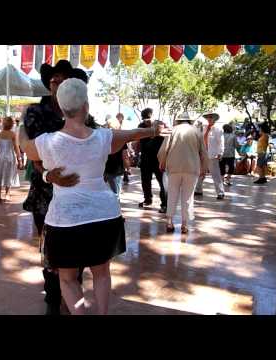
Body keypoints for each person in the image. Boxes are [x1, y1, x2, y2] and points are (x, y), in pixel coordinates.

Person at [20, 78, 167, 315]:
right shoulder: (104, 137)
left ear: (60, 107)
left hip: (65, 220)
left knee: (67, 279)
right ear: (86, 106)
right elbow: (133, 134)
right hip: (105, 215)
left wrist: (22, 122)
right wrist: (153, 130)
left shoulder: (46, 143)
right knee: (102, 273)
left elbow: (24, 144)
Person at [22, 59, 97, 315]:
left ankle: (72, 289)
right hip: (45, 193)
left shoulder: (85, 114)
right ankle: (53, 297)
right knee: (50, 248)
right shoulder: (35, 111)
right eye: (53, 80)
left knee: (79, 247)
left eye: (63, 79)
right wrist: (47, 176)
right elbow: (33, 151)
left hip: (79, 193)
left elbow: (95, 146)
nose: (57, 83)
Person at [158, 112, 206, 234]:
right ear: (190, 120)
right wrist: (204, 168)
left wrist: (162, 162)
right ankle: (184, 225)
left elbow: (164, 149)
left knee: (172, 194)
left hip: (173, 167)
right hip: (192, 168)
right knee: (188, 197)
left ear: (178, 120)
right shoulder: (197, 132)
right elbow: (203, 152)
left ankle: (169, 222)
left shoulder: (173, 131)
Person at [137, 108, 167, 213]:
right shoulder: (141, 126)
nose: (146, 121)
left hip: (158, 159)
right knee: (145, 181)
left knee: (162, 182)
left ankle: (164, 204)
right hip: (145, 158)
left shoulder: (161, 125)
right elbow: (140, 140)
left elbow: (166, 140)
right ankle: (147, 199)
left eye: (148, 118)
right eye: (144, 119)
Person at [0, 116, 22, 202]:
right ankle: (7, 194)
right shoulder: (13, 134)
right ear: (12, 125)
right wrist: (20, 159)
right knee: (9, 175)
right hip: (9, 157)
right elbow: (16, 147)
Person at [195, 112, 225, 200]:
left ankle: (220, 192)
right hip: (203, 154)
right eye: (208, 117)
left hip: (212, 154)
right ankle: (198, 190)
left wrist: (220, 153)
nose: (209, 119)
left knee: (215, 174)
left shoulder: (218, 129)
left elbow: (221, 142)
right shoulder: (203, 128)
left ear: (215, 119)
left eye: (211, 117)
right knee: (200, 173)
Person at [104, 119, 127, 199]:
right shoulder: (121, 139)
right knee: (115, 193)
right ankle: (115, 210)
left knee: (97, 191)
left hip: (104, 168)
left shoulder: (103, 138)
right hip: (116, 170)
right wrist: (127, 167)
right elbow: (125, 156)